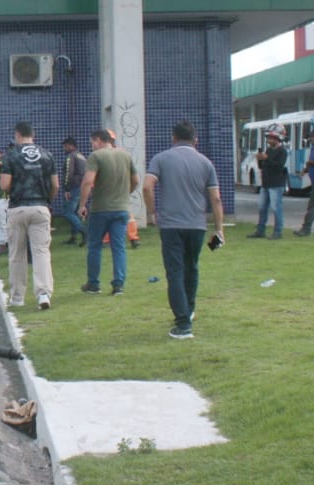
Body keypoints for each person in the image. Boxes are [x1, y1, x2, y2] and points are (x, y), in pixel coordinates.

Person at [143, 121, 225, 341]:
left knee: (175, 272)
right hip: (197, 225)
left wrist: (152, 212)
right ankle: (188, 309)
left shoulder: (161, 158)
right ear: (195, 140)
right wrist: (219, 229)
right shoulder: (206, 163)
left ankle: (183, 324)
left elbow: (147, 186)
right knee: (192, 267)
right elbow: (215, 199)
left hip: (170, 224)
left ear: (173, 138)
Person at [0, 121, 57, 310]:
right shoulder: (47, 155)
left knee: (17, 254)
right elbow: (55, 185)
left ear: (17, 134)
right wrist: (47, 200)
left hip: (18, 208)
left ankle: (17, 298)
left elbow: (5, 185)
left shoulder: (10, 155)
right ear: (33, 135)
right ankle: (43, 294)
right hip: (41, 207)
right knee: (41, 253)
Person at [78, 128, 139, 296]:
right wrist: (125, 194)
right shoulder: (125, 155)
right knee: (118, 247)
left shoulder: (96, 156)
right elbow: (136, 180)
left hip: (100, 209)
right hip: (121, 208)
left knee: (95, 246)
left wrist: (82, 205)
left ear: (98, 140)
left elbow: (88, 182)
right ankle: (118, 284)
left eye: (92, 143)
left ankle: (93, 283)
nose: (91, 147)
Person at [247, 124, 289, 239]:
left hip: (276, 184)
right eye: (268, 138)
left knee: (276, 208)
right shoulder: (269, 150)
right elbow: (263, 166)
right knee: (261, 207)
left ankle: (278, 231)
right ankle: (260, 230)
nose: (268, 140)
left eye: (271, 138)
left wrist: (266, 158)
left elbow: (279, 165)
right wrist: (260, 159)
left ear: (278, 138)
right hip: (265, 184)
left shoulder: (282, 151)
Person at [61, 137, 87, 246]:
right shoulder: (81, 156)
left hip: (74, 187)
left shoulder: (70, 156)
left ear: (71, 145)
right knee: (76, 212)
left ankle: (84, 232)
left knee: (68, 212)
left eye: (65, 146)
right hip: (82, 187)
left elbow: (69, 173)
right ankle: (73, 237)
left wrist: (66, 188)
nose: (64, 148)